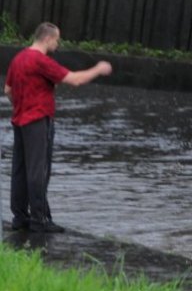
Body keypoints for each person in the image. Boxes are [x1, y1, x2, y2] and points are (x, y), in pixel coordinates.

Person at [4, 22, 113, 233]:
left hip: (19, 119)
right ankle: (39, 219)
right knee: (38, 171)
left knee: (20, 170)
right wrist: (98, 69)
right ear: (47, 38)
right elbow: (75, 80)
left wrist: (21, 104)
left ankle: (19, 217)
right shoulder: (40, 60)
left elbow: (8, 89)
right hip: (37, 119)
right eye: (56, 40)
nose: (57, 44)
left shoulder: (19, 58)